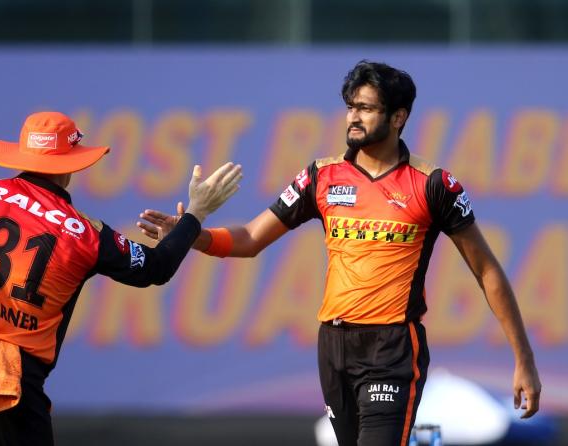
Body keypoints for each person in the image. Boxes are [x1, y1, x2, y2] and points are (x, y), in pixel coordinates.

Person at [137, 60, 541, 446]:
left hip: (393, 348)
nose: (353, 117)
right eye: (350, 107)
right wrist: (192, 234)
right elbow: (249, 240)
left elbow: (487, 270)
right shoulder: (321, 177)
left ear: (398, 117)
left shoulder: (435, 184)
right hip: (333, 346)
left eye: (366, 108)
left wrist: (524, 359)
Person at [0, 111, 242, 446]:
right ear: (73, 166)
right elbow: (156, 267)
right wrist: (196, 213)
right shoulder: (87, 233)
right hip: (14, 376)